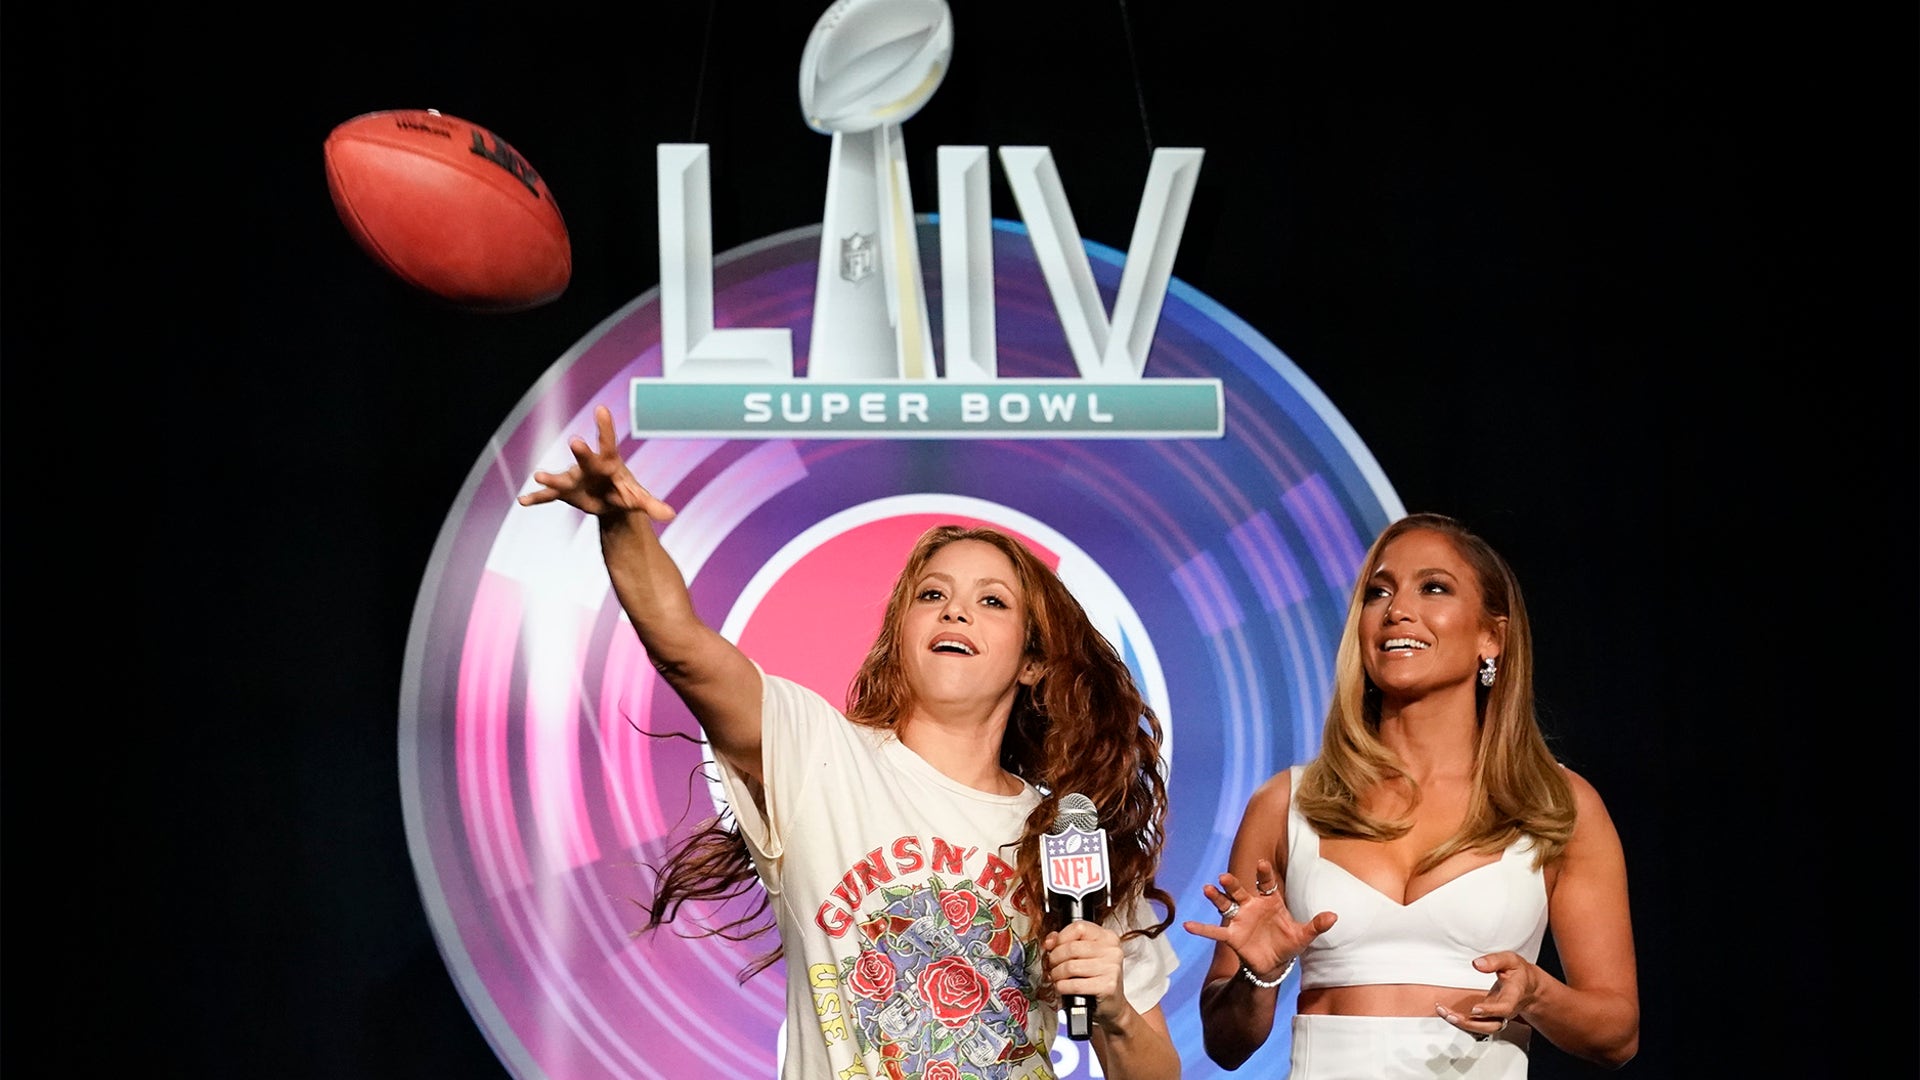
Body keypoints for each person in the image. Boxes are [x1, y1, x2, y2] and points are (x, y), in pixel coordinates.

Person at [519, 405, 1183, 1080]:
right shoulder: (817, 756)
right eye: (932, 594)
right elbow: (684, 650)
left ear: (1032, 663)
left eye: (992, 602)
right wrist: (621, 525)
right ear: (902, 636)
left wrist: (1115, 1013)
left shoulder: (1068, 845)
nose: (956, 610)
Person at [1184, 512, 1638, 1078]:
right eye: (1378, 592)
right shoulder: (1286, 804)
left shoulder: (1558, 804)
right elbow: (1226, 1044)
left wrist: (1535, 994)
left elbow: (1617, 1033)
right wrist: (1260, 974)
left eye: (1434, 588)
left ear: (1490, 637)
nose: (1397, 609)